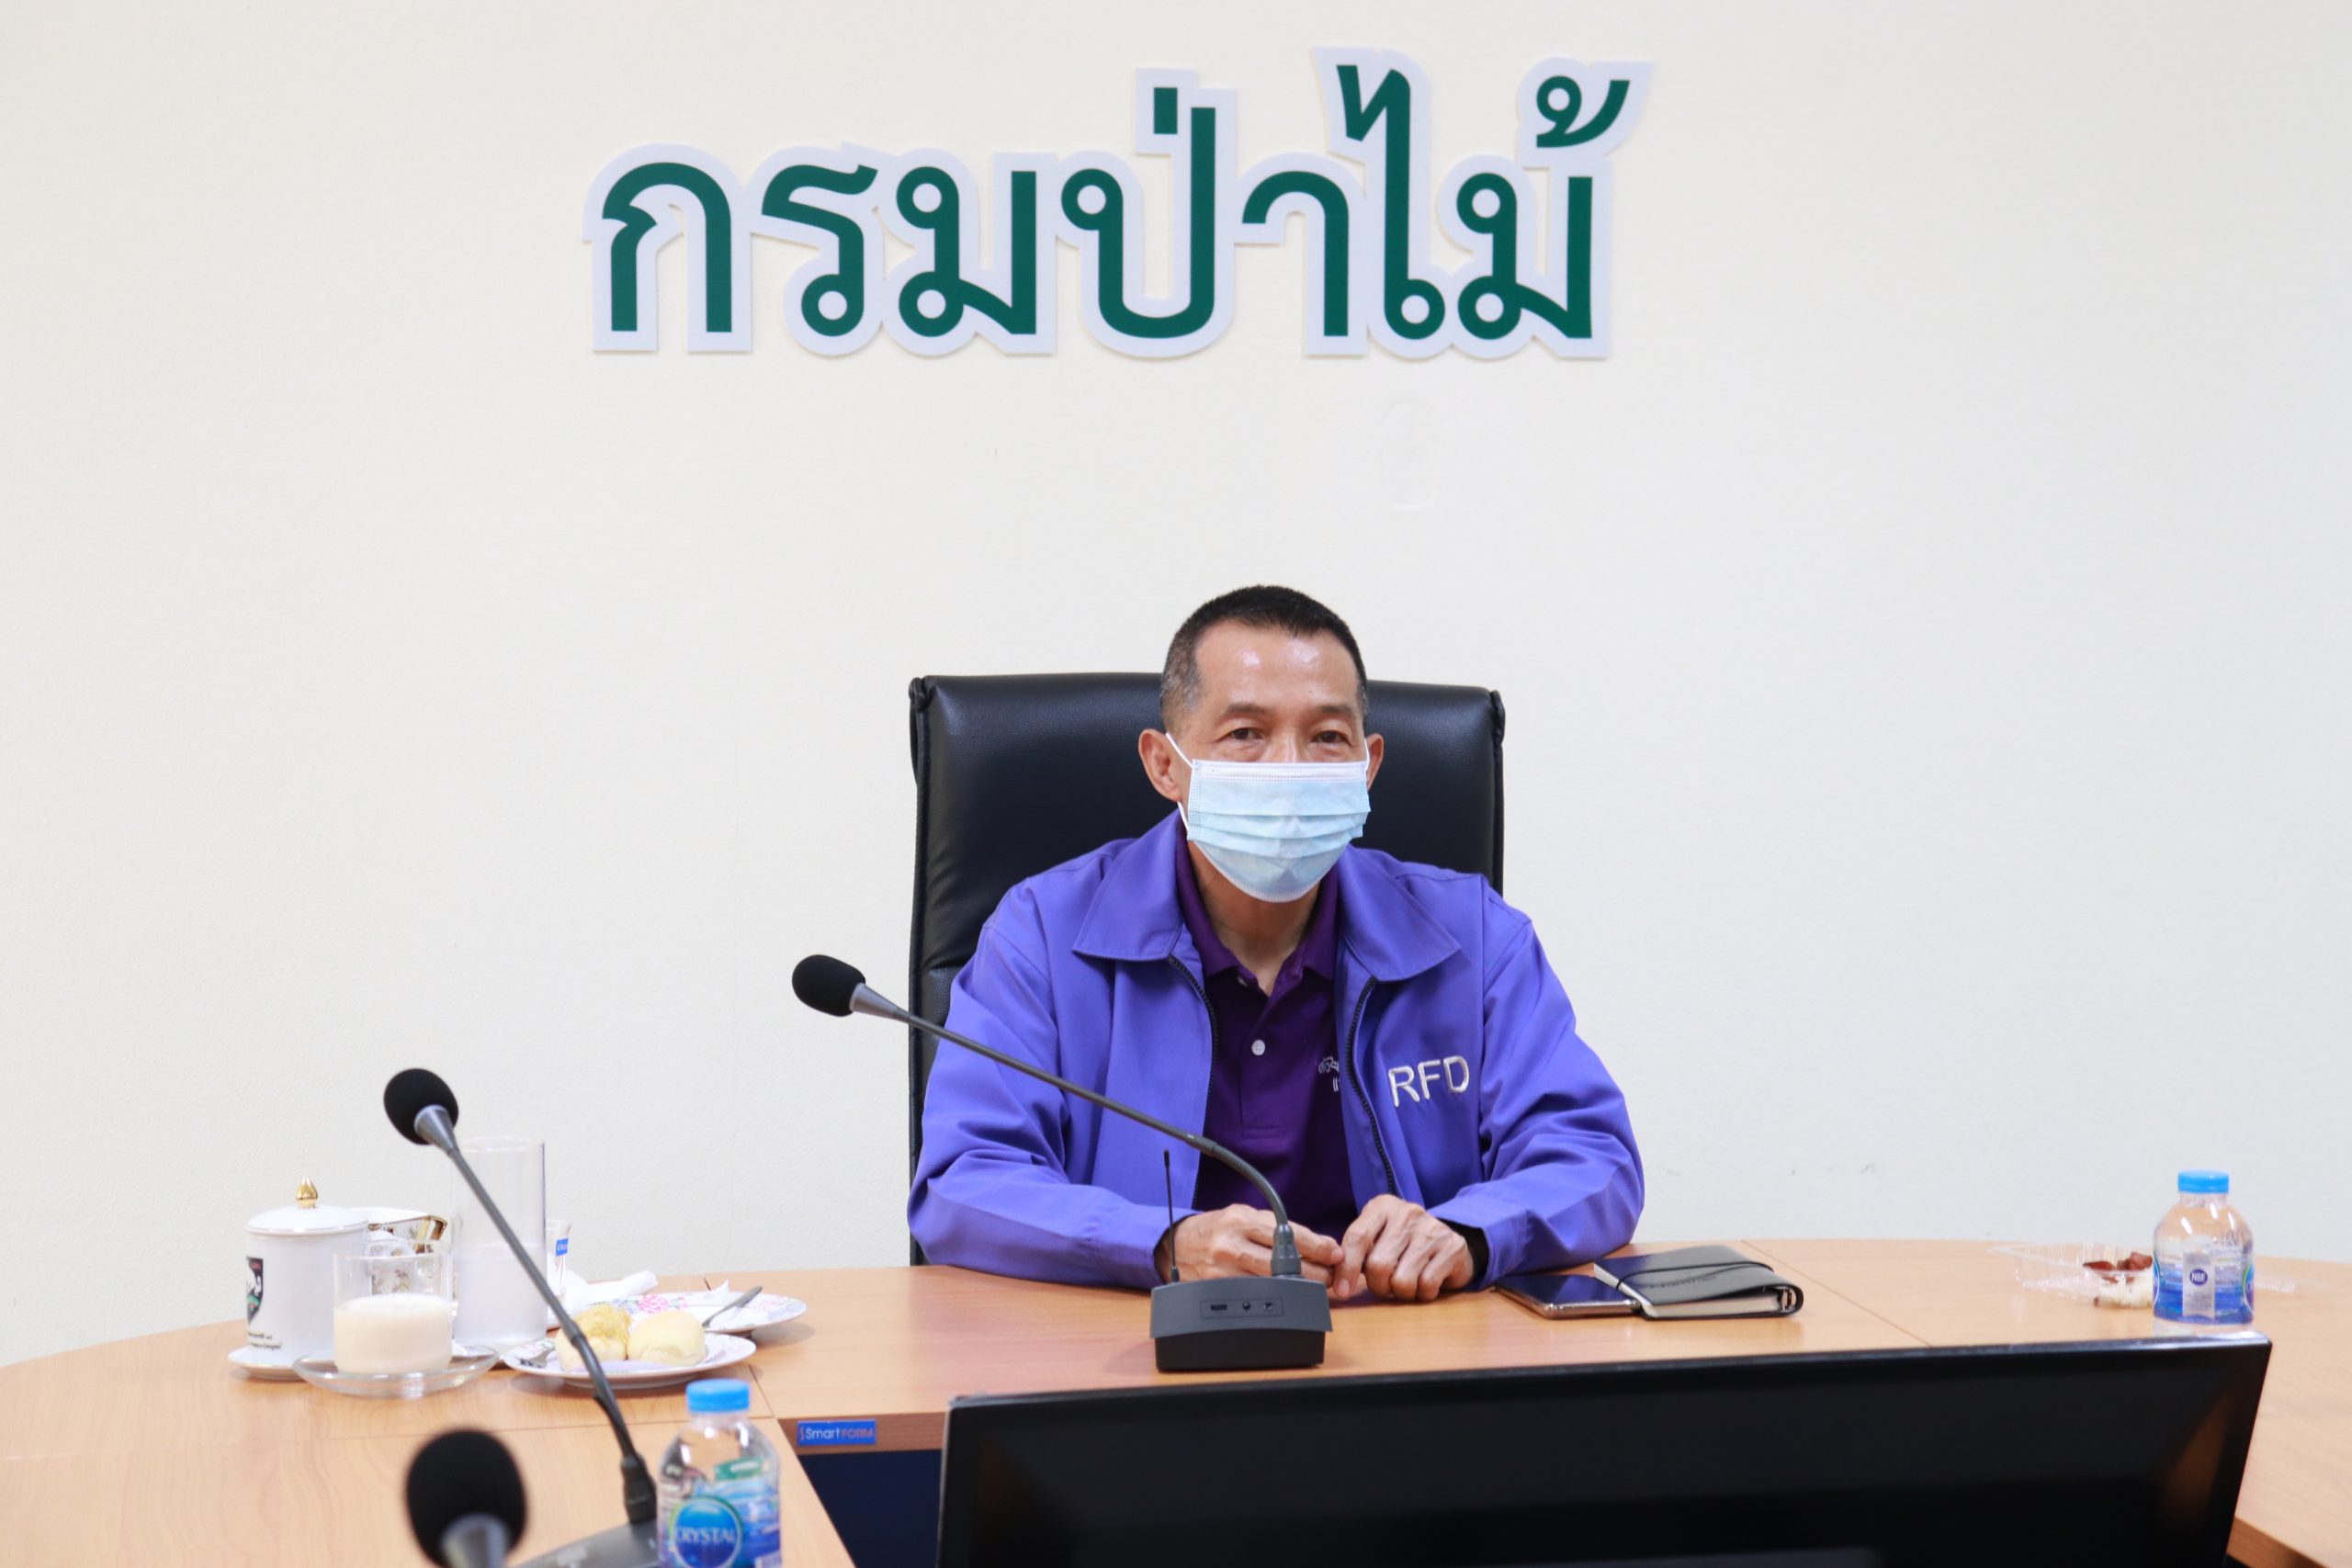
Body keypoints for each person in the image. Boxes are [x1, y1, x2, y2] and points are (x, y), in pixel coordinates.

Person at [910, 586, 1642, 1302]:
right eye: (1245, 734)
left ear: (1368, 765)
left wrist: (1471, 1231)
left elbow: (1594, 1156)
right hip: (1141, 1353)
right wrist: (1161, 1243)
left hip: (1402, 1348)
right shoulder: (1042, 934)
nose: (1289, 767)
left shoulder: (1473, 937)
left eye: (1327, 737)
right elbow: (963, 1180)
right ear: (1165, 764)